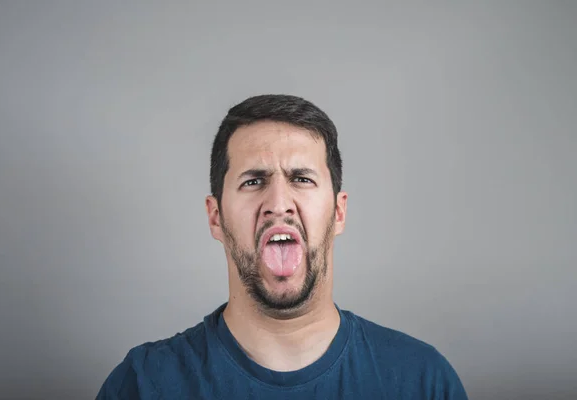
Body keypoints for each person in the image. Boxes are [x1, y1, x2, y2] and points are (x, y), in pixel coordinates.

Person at [96, 94, 468, 399]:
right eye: (254, 181)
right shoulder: (142, 386)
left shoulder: (423, 383)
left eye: (302, 179)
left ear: (338, 212)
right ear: (216, 218)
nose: (279, 202)